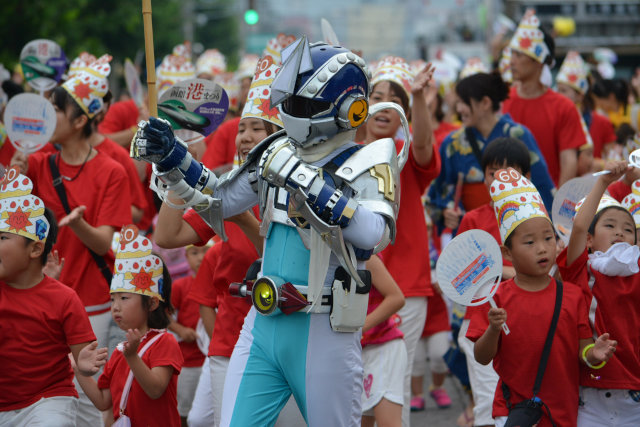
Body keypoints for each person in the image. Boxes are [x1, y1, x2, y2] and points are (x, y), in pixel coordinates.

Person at [133, 37, 398, 426]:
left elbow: (374, 233)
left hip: (324, 327)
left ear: (347, 108)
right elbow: (218, 199)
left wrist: (309, 183)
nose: (292, 113)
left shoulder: (370, 159)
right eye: (289, 102)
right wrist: (173, 157)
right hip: (262, 323)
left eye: (303, 105)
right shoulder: (279, 150)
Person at [152, 50, 303, 427]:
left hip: (295, 339)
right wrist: (175, 171)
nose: (246, 137)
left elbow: (282, 262)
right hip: (232, 343)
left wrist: (245, 222)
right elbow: (167, 235)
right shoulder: (226, 189)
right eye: (242, 128)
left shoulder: (303, 189)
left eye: (258, 129)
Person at [11, 54, 133, 427]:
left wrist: (76, 224)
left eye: (57, 110)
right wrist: (14, 179)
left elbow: (104, 245)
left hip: (93, 306)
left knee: (89, 404)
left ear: (80, 120)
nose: (48, 116)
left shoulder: (112, 170)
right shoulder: (37, 163)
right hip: (43, 304)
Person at [466, 167, 616, 427]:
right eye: (529, 242)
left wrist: (594, 355)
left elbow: (583, 351)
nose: (542, 248)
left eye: (548, 238)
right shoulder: (495, 298)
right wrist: (493, 328)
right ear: (508, 253)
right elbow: (482, 356)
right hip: (514, 411)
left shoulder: (572, 295)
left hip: (564, 411)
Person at [363, 55, 440, 427]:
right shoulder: (341, 151)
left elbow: (424, 143)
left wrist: (421, 97)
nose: (384, 103)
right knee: (350, 383)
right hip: (353, 285)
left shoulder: (404, 153)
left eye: (395, 99)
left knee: (396, 386)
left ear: (403, 115)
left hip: (405, 287)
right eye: (376, 95)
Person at [0, 169, 97, 426]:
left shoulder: (63, 298)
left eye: (2, 238)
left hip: (48, 400)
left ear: (35, 249)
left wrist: (84, 361)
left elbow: (82, 352)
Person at [557, 161, 640, 426]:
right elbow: (579, 228)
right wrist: (603, 183)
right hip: (591, 396)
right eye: (610, 226)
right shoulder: (582, 269)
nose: (620, 232)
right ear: (589, 241)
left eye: (628, 230)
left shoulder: (637, 272)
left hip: (634, 396)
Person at [74, 225, 183, 427]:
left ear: (152, 303)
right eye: (112, 299)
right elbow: (103, 401)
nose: (115, 307)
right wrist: (78, 369)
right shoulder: (120, 350)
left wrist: (132, 356)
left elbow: (155, 389)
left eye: (124, 298)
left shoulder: (164, 342)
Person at [455, 137, 531, 427]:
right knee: (488, 406)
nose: (501, 179)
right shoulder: (473, 219)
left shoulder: (536, 218)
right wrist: (509, 272)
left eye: (512, 173)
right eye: (493, 172)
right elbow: (462, 274)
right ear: (483, 176)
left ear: (528, 178)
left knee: (527, 403)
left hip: (528, 322)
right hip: (482, 325)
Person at [428, 72, 555, 234]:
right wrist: (447, 212)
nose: (458, 109)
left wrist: (550, 231)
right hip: (471, 230)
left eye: (463, 102)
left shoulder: (518, 135)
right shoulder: (452, 143)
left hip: (517, 227)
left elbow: (541, 184)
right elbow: (439, 191)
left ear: (485, 103)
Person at [503, 9, 586, 187]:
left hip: (547, 204)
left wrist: (558, 207)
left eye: (519, 55)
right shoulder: (502, 101)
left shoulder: (564, 106)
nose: (512, 61)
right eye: (512, 54)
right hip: (505, 200)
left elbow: (569, 162)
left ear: (538, 60)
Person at [361, 255, 406, 427]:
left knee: (388, 423)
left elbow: (396, 298)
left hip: (383, 348)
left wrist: (357, 329)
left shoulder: (365, 255)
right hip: (353, 353)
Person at [555, 51, 617, 174]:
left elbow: (613, 158)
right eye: (558, 90)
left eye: (564, 91)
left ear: (580, 94)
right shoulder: (555, 120)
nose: (558, 95)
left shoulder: (602, 121)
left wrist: (598, 164)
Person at [168, 242, 209, 426]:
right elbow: (164, 315)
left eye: (205, 252)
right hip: (188, 361)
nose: (200, 257)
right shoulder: (180, 286)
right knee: (184, 410)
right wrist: (181, 330)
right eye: (194, 253)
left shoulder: (218, 285)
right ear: (186, 257)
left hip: (210, 360)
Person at [410, 293, 452, 412]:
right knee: (416, 359)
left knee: (440, 354)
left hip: (436, 309)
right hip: (412, 309)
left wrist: (444, 284)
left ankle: (437, 388)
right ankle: (418, 395)